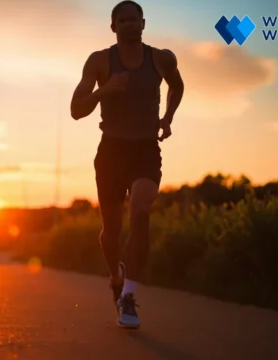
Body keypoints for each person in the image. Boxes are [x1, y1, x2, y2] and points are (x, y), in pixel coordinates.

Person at [69, 0, 184, 329]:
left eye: (136, 19)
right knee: (111, 232)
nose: (130, 24)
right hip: (111, 152)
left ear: (143, 24)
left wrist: (167, 118)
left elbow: (177, 86)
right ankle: (115, 276)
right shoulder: (99, 61)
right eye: (123, 20)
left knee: (142, 211)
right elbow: (77, 109)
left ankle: (129, 296)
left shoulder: (161, 58)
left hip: (146, 149)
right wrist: (106, 89)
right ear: (113, 27)